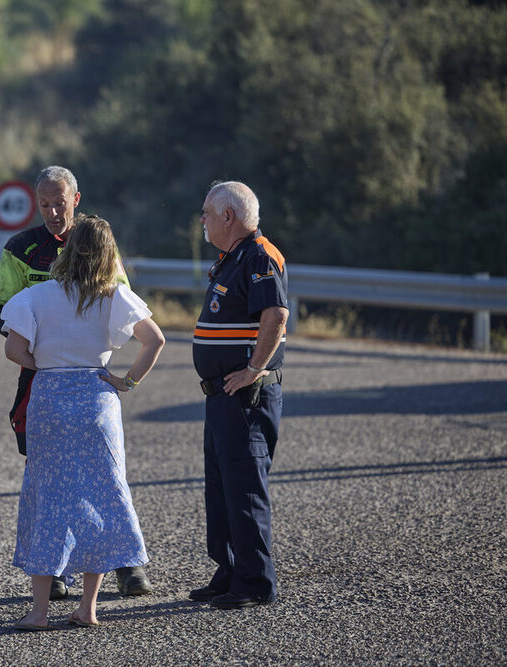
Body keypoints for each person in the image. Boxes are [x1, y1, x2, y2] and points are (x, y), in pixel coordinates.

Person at [0, 165, 153, 599]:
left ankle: (124, 566)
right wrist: (45, 350)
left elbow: (124, 302)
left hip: (77, 377)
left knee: (104, 476)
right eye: (44, 204)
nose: (53, 212)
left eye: (60, 203)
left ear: (76, 199)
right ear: (35, 201)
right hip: (42, 378)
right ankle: (56, 569)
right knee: (51, 475)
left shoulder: (100, 245)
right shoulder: (21, 248)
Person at [190, 181, 288, 609]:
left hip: (245, 396)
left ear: (229, 216)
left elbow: (276, 314)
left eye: (208, 214)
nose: (203, 221)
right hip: (221, 396)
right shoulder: (233, 257)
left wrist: (253, 369)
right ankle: (229, 570)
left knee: (245, 489)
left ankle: (254, 582)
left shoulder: (259, 255)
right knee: (222, 489)